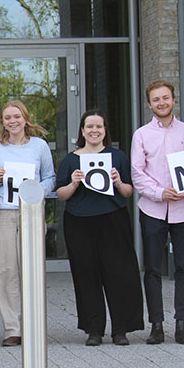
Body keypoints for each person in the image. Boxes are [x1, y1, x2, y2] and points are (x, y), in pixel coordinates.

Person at [56, 109, 144, 346]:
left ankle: (120, 329)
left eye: (99, 126)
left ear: (105, 131)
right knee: (87, 275)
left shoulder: (117, 157)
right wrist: (74, 183)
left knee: (118, 274)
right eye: (89, 126)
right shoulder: (71, 160)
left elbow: (128, 192)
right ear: (82, 131)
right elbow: (60, 194)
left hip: (113, 220)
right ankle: (94, 329)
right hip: (79, 222)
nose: (94, 130)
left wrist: (118, 182)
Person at [131, 80, 184, 345]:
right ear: (150, 104)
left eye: (166, 98)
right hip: (152, 209)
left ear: (173, 100)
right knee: (152, 268)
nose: (162, 103)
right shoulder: (141, 135)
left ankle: (181, 324)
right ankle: (156, 325)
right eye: (156, 99)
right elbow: (138, 172)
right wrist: (160, 192)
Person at [0, 100, 55, 346]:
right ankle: (12, 328)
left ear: (26, 119)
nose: (12, 121)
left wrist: (36, 190)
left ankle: (33, 325)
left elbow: (50, 178)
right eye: (7, 118)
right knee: (6, 271)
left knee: (32, 270)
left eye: (16, 116)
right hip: (3, 213)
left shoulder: (40, 146)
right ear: (2, 122)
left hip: (32, 212)